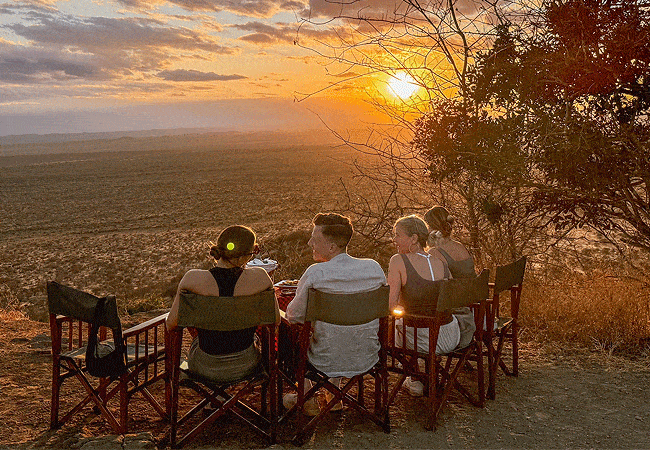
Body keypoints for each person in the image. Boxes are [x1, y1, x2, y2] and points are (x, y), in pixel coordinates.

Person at [284, 213, 386, 415]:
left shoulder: (316, 273)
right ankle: (335, 393)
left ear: (332, 247)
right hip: (366, 355)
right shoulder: (373, 268)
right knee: (340, 327)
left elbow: (294, 316)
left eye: (315, 238)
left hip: (325, 359)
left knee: (293, 330)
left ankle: (307, 397)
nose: (309, 242)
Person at [166, 225, 273, 383]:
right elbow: (274, 321)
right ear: (247, 255)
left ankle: (213, 402)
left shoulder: (191, 279)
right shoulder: (262, 279)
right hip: (247, 365)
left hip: (204, 366)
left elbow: (171, 324)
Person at [386, 214, 461, 397]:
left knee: (393, 326)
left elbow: (390, 304)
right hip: (450, 335)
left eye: (398, 235)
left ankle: (415, 377)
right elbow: (451, 297)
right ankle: (421, 376)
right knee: (413, 323)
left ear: (413, 238)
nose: (394, 240)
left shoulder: (398, 260)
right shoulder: (441, 261)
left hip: (424, 340)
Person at [423, 206, 476, 278]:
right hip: (475, 288)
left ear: (431, 227)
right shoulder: (460, 246)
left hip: (456, 289)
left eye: (427, 226)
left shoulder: (434, 252)